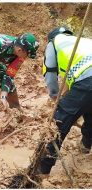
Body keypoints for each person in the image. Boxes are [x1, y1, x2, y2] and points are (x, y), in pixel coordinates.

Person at [39, 26, 92, 174]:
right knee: (90, 110)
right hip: (87, 80)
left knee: (58, 123)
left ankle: (42, 169)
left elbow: (50, 74)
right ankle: (85, 146)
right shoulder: (82, 40)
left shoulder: (53, 43)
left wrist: (55, 96)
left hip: (88, 81)